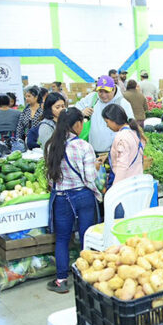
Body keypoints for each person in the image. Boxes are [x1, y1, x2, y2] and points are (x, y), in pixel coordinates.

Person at [45, 107, 101, 294]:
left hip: (61, 198)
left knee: (62, 238)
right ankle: (88, 278)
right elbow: (90, 178)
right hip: (83, 196)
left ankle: (61, 280)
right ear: (77, 124)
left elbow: (50, 178)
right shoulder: (84, 146)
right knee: (87, 236)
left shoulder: (51, 145)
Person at [75, 75, 135, 153]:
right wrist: (82, 112)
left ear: (113, 89)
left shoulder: (122, 103)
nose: (103, 95)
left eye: (107, 92)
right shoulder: (92, 98)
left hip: (114, 152)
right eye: (100, 91)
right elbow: (74, 111)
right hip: (93, 149)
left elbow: (130, 125)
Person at [101, 103, 145, 188]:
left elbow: (122, 166)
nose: (107, 125)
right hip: (136, 180)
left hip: (125, 184)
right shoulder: (134, 132)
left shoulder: (122, 137)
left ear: (113, 120)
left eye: (107, 122)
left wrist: (115, 188)